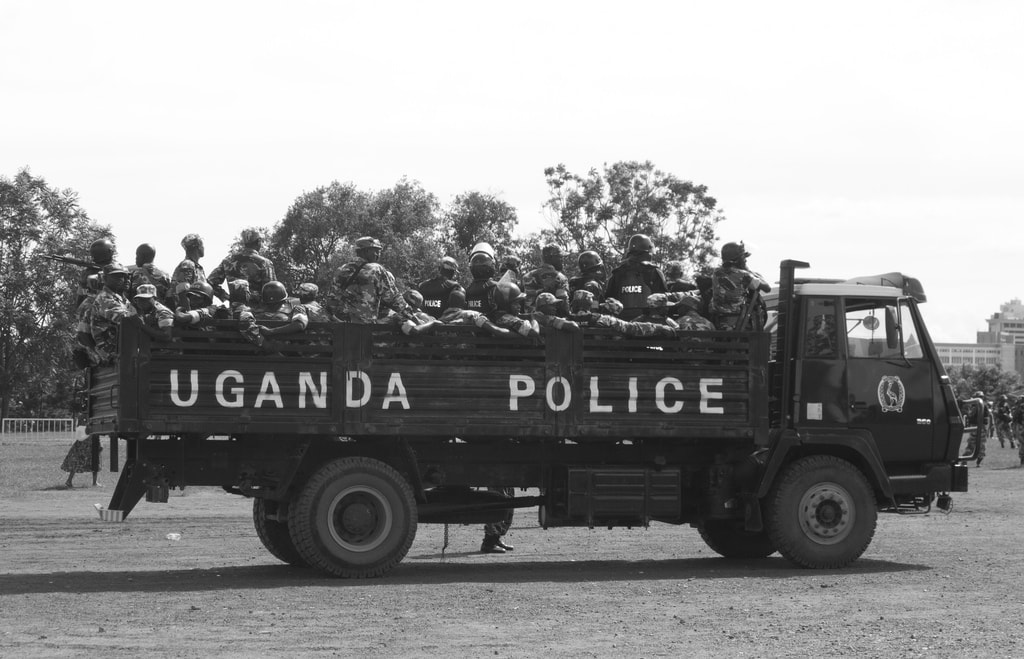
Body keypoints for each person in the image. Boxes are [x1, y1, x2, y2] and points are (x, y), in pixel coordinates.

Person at [327, 236, 414, 324]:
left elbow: (331, 300)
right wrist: (412, 316)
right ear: (366, 251)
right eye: (376, 251)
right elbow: (395, 300)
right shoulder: (376, 269)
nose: (378, 255)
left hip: (340, 328)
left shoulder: (341, 269)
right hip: (364, 329)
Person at [709, 241, 771, 331]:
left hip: (717, 320)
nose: (745, 260)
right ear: (737, 260)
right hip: (737, 322)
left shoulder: (716, 272)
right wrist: (750, 271)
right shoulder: (743, 275)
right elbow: (767, 288)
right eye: (743, 257)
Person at [605, 234, 668, 320]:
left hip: (621, 321)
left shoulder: (617, 272)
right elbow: (663, 298)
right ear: (647, 251)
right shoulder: (653, 270)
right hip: (648, 321)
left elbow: (609, 298)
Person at [208, 228, 276, 304]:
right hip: (258, 312)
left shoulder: (228, 260)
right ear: (258, 242)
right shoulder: (265, 263)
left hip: (235, 311)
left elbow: (210, 282)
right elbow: (272, 290)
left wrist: (225, 296)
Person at [89, 263, 134, 365]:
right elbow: (127, 319)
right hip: (111, 352)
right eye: (116, 276)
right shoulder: (105, 298)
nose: (123, 279)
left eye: (124, 276)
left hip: (122, 350)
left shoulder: (122, 299)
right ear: (105, 279)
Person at [524, 244, 568, 311]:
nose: (562, 260)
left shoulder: (527, 276)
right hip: (550, 319)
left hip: (529, 318)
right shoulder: (560, 277)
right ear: (551, 258)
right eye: (560, 257)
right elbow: (563, 304)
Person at [171, 233, 209, 309]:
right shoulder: (188, 265)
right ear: (197, 247)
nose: (203, 248)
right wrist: (188, 313)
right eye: (202, 245)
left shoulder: (196, 266)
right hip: (189, 312)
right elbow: (182, 291)